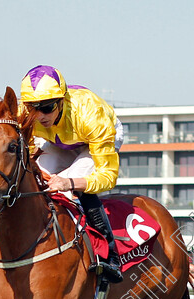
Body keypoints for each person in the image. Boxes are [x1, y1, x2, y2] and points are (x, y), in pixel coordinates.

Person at [20, 65, 124, 283]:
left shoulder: (91, 114)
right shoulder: (26, 115)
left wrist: (69, 182)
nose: (39, 116)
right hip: (59, 139)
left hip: (97, 136)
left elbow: (108, 178)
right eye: (32, 108)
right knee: (37, 181)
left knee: (72, 185)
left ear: (61, 101)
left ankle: (110, 255)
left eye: (47, 107)